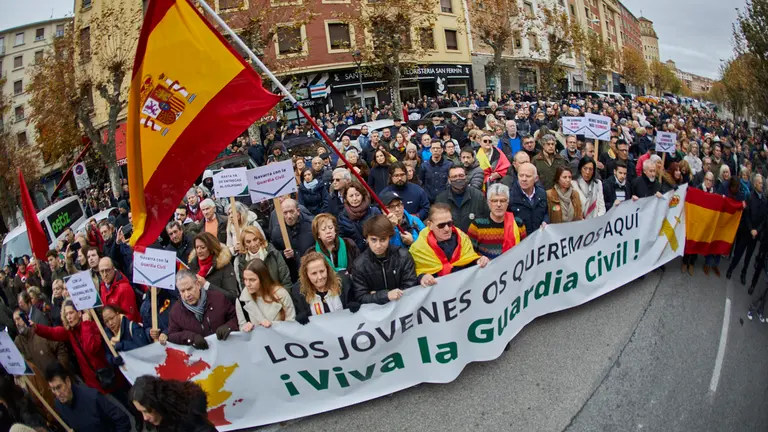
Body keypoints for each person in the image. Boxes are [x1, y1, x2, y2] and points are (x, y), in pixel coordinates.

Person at [34, 299, 125, 394]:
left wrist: (86, 324)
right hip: (93, 384)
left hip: (109, 378)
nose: (69, 317)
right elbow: (52, 332)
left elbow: (91, 348)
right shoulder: (70, 332)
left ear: (79, 313)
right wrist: (36, 328)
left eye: (71, 313)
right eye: (66, 314)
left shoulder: (91, 325)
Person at [409, 203, 490, 287]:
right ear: (430, 225)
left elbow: (469, 260)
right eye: (441, 225)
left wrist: (478, 260)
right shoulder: (418, 248)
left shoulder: (463, 239)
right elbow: (412, 274)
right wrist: (422, 277)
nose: (447, 229)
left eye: (450, 223)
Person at [351, 216, 419, 304]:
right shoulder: (359, 265)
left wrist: (374, 295)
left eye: (383, 240)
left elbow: (410, 287)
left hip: (403, 307)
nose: (378, 245)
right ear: (367, 238)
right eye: (374, 240)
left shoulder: (403, 256)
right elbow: (361, 297)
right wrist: (386, 295)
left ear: (389, 238)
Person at [45, 362, 130, 432]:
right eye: (53, 389)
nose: (57, 393)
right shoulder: (59, 405)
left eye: (59, 387)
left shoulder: (92, 397)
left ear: (67, 381)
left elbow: (122, 420)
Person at [168, 269, 237, 349]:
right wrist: (190, 338)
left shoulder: (218, 298)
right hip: (200, 355)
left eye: (189, 289)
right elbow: (172, 335)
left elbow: (236, 318)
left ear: (198, 285)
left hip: (225, 349)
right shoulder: (175, 311)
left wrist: (228, 326)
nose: (187, 295)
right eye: (182, 291)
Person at [129, 375, 217, 432]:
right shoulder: (164, 418)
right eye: (141, 412)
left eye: (146, 411)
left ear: (158, 404)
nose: (145, 418)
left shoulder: (199, 426)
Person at [291, 251, 357, 321]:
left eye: (322, 271)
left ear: (327, 269)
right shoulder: (299, 292)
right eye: (314, 273)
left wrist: (354, 307)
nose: (320, 277)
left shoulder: (343, 283)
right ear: (306, 275)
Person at [467, 184, 526, 259]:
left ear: (507, 203)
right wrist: (479, 259)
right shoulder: (477, 225)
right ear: (488, 203)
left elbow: (525, 250)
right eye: (494, 201)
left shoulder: (518, 223)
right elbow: (470, 254)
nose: (498, 205)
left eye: (502, 201)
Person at [235, 259, 295, 331]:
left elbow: (291, 323)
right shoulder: (241, 301)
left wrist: (272, 325)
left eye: (252, 280)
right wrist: (247, 329)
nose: (247, 284)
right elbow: (242, 328)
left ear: (263, 279)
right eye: (245, 279)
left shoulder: (281, 294)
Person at [726, 174, 765, 284]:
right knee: (738, 253)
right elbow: (746, 214)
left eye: (762, 183)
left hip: (755, 235)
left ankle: (744, 273)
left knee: (748, 256)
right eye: (760, 183)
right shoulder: (749, 197)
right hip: (746, 232)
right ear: (755, 184)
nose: (761, 185)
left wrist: (757, 230)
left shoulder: (764, 200)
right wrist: (751, 229)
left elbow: (764, 219)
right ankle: (731, 268)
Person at [269, 198, 315, 282]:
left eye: (291, 211)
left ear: (298, 211)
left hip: (311, 271)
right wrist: (283, 254)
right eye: (285, 213)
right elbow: (274, 253)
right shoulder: (277, 232)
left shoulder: (311, 226)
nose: (289, 216)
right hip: (292, 276)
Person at [435, 165, 490, 233]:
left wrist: (474, 223)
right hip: (450, 237)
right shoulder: (441, 199)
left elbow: (487, 220)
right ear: (449, 180)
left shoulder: (478, 196)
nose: (458, 179)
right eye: (454, 177)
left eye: (461, 176)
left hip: (473, 237)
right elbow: (438, 223)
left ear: (466, 177)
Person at [234, 225, 291, 290]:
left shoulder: (273, 253)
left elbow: (286, 280)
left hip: (277, 293)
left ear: (260, 239)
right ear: (244, 244)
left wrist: (282, 295)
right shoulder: (242, 260)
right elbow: (245, 285)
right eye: (248, 242)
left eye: (255, 239)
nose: (253, 244)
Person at [682, 172, 716, 276]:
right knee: (690, 242)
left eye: (710, 181)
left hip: (704, 223)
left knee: (698, 243)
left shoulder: (714, 193)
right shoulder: (697, 189)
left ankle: (692, 263)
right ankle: (685, 262)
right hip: (695, 221)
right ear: (704, 179)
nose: (708, 182)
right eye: (707, 179)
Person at [188, 232, 239, 300]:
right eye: (197, 247)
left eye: (202, 247)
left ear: (211, 248)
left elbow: (232, 296)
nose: (199, 251)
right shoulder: (192, 265)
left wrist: (206, 285)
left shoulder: (224, 265)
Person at [337, 182, 382, 251]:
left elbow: (382, 231)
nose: (355, 199)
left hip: (375, 250)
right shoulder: (342, 217)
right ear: (346, 198)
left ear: (362, 195)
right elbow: (341, 240)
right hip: (355, 254)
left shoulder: (374, 212)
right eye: (351, 196)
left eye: (357, 195)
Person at [97, 257, 141, 324]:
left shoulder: (124, 288)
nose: (105, 274)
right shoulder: (103, 286)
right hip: (111, 326)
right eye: (102, 271)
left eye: (107, 270)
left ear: (113, 269)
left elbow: (130, 317)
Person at [508, 162, 549, 233]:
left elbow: (546, 212)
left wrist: (545, 221)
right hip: (520, 237)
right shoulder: (510, 195)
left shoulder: (542, 193)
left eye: (528, 176)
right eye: (521, 175)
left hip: (539, 236)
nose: (524, 179)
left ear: (536, 178)